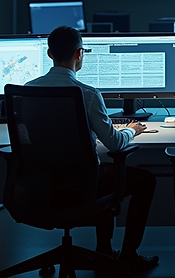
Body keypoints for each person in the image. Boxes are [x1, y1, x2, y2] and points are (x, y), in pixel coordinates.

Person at [25, 26, 159, 273]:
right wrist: (132, 129)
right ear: (79, 54)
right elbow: (115, 143)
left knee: (103, 171)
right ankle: (127, 255)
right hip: (83, 183)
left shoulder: (27, 90)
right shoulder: (87, 94)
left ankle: (105, 250)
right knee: (144, 180)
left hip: (42, 183)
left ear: (49, 54)